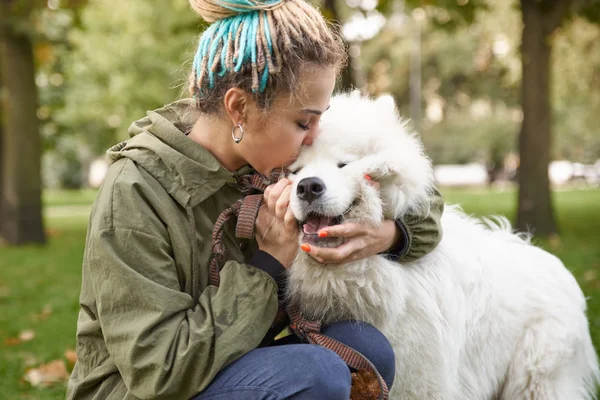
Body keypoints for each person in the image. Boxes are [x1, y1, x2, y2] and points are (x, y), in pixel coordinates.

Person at [66, 0, 444, 399]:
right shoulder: (135, 192)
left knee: (362, 348)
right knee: (317, 372)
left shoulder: (268, 158)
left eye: (319, 117)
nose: (315, 137)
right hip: (148, 389)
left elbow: (420, 194)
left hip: (227, 366)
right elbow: (160, 371)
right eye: (304, 122)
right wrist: (267, 263)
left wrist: (386, 235)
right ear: (239, 108)